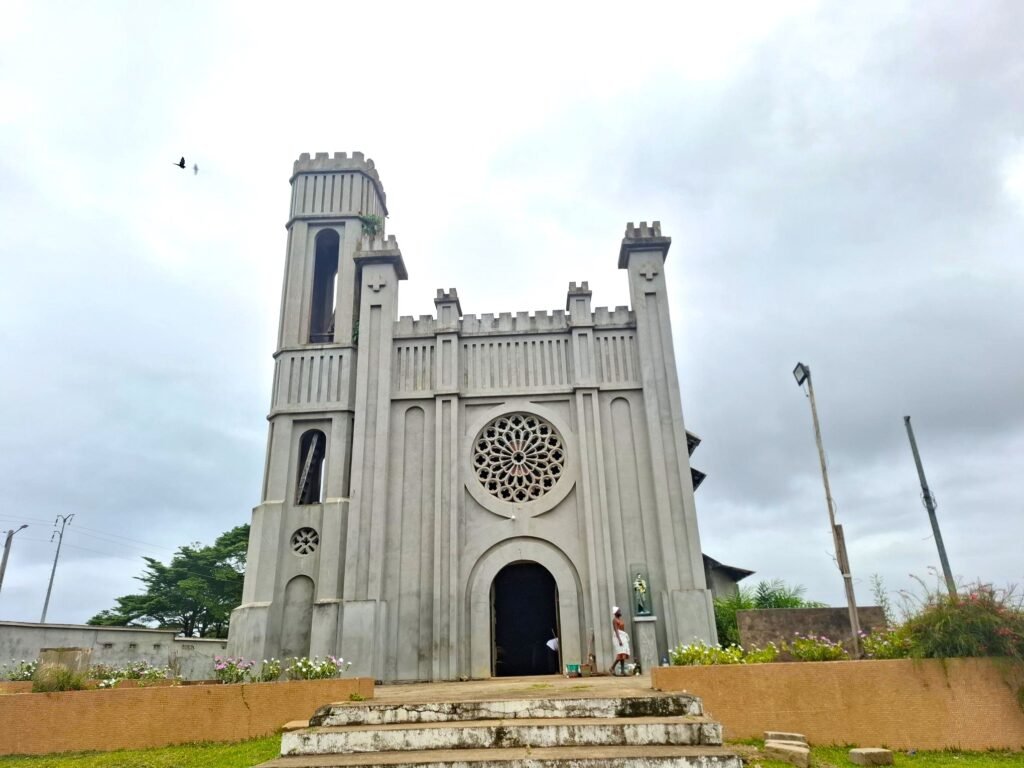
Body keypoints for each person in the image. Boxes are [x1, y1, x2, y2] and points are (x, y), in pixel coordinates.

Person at [609, 606, 630, 675]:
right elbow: (616, 630)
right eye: (619, 611)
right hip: (618, 637)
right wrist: (619, 640)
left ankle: (622, 671)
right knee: (620, 653)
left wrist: (623, 637)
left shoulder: (620, 619)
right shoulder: (614, 620)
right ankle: (612, 667)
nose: (620, 612)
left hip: (622, 636)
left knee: (623, 653)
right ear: (615, 612)